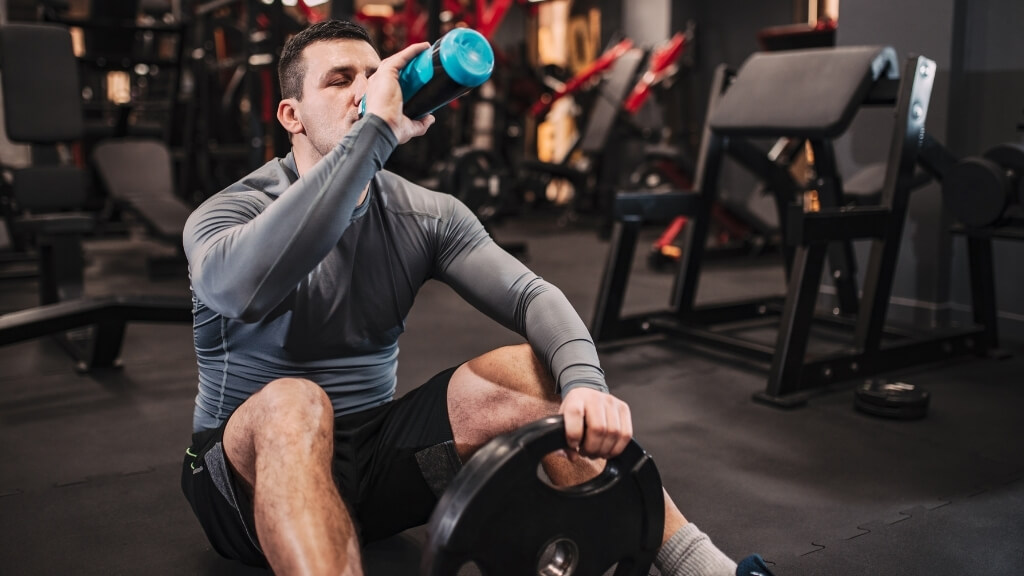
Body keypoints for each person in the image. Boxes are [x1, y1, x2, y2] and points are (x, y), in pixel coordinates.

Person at [180, 19, 766, 576]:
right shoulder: (229, 213)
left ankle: (706, 568)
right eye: (339, 80)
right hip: (243, 487)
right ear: (292, 115)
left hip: (373, 472)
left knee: (528, 368)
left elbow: (532, 296)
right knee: (295, 402)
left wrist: (586, 385)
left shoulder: (425, 213)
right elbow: (246, 291)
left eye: (373, 75)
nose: (365, 91)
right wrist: (373, 136)